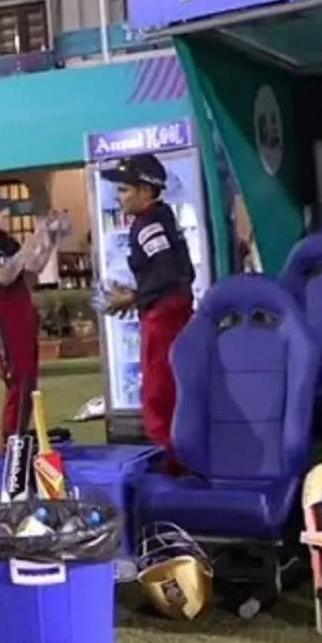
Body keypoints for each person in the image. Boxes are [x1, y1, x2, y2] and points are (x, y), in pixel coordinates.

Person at [99, 154, 194, 471]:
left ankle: (172, 464)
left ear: (146, 190)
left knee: (158, 391)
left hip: (163, 316)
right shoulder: (162, 217)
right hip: (173, 312)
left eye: (124, 189)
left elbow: (166, 273)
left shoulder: (149, 223)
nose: (118, 196)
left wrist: (133, 298)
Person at [0, 189, 67, 442]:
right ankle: (10, 445)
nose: (5, 214)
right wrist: (30, 243)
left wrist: (50, 237)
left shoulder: (6, 242)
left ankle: (20, 438)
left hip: (22, 311)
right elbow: (4, 275)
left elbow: (32, 269)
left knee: (30, 382)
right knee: (17, 383)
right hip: (2, 317)